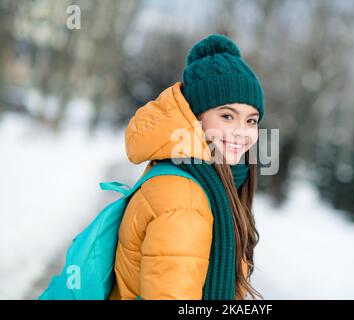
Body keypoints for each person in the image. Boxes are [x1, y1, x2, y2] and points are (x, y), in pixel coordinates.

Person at [109, 34, 265, 300]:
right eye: (227, 116)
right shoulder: (185, 197)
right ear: (196, 117)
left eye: (251, 121)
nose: (242, 132)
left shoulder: (207, 181)